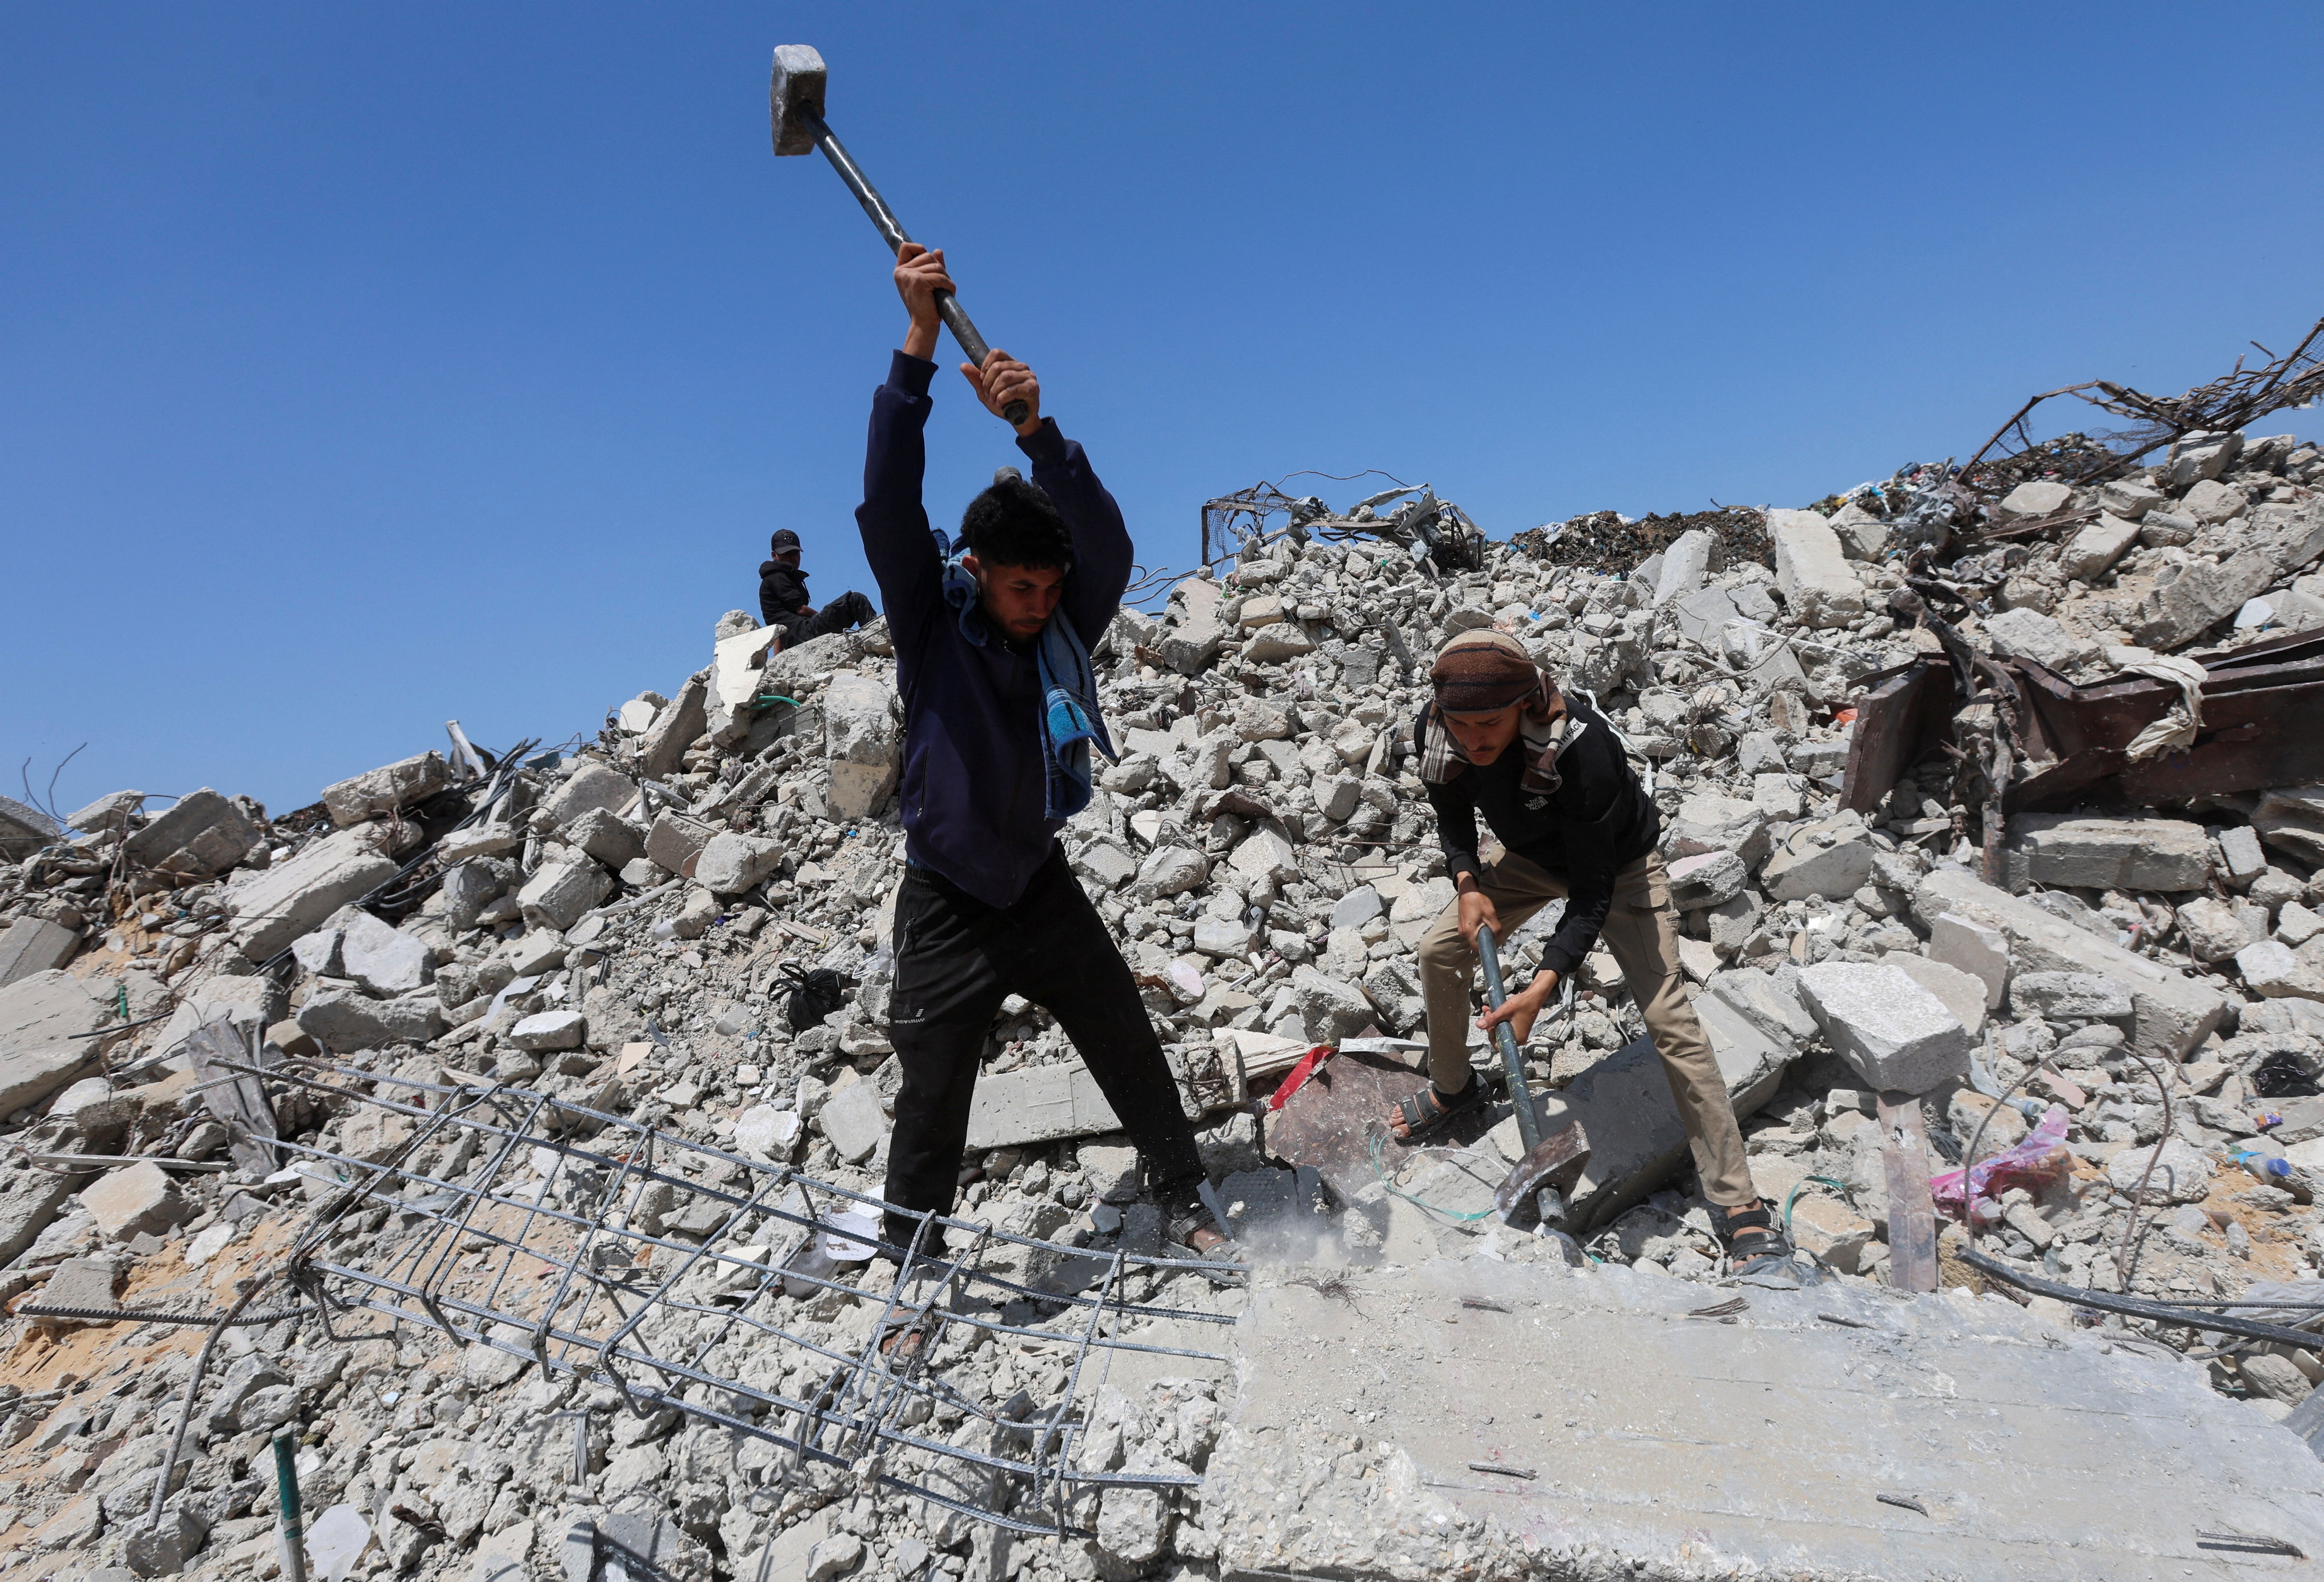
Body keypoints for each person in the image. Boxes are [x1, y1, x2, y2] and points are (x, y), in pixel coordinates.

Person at [855, 240, 1232, 1297]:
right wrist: (917, 347)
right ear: (978, 573)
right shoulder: (933, 624)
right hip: (943, 896)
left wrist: (1037, 429)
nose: (1036, 604)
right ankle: (909, 1261)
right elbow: (888, 504)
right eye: (1018, 588)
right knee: (934, 1087)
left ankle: (1180, 1188)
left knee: (1121, 1035)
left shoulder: (1064, 622)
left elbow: (1105, 547)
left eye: (1046, 587)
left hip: (1036, 878)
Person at [1390, 629, 1787, 1264]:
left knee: (1670, 1020)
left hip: (1619, 865)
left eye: (1488, 723)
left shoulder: (1582, 748)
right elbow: (1452, 814)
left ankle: (1736, 1200)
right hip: (1529, 857)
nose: (1471, 739)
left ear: (1525, 703)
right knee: (1441, 948)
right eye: (1459, 725)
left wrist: (1539, 990)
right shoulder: (1438, 729)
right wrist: (1468, 882)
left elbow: (1594, 891)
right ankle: (1454, 1088)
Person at [758, 527, 876, 647]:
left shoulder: (781, 577)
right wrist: (822, 617)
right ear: (774, 555)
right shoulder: (777, 577)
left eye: (796, 553)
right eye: (787, 554)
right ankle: (877, 636)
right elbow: (801, 610)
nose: (793, 558)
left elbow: (777, 631)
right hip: (803, 633)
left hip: (796, 637)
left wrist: (777, 660)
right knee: (855, 600)